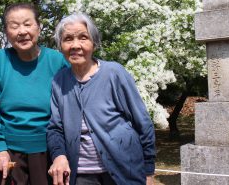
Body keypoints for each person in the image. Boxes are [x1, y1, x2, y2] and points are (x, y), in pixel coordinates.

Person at [47, 12, 156, 185]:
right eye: (68, 39)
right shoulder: (59, 81)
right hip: (81, 175)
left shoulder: (114, 73)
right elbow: (55, 128)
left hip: (124, 172)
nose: (75, 45)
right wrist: (59, 156)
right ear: (60, 45)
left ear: (94, 43)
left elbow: (142, 122)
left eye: (83, 37)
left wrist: (149, 171)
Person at [0, 3, 68, 185]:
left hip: (49, 151)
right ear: (6, 31)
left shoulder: (57, 61)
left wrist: (61, 153)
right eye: (14, 26)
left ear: (39, 27)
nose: (22, 31)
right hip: (8, 152)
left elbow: (70, 109)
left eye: (27, 24)